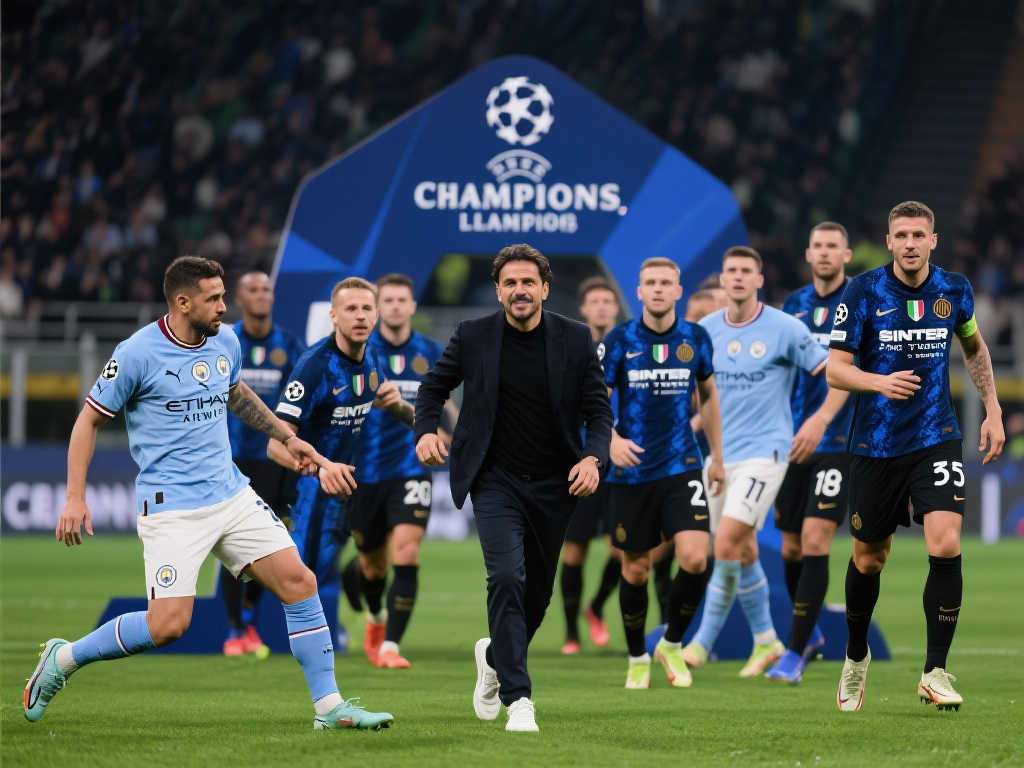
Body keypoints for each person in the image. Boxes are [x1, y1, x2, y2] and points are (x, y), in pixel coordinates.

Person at [25, 257, 394, 730]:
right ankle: (64, 658)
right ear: (182, 302)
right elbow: (88, 420)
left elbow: (236, 393)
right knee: (168, 625)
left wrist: (286, 437)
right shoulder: (137, 353)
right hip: (172, 507)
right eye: (214, 298)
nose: (224, 306)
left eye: (223, 296)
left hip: (231, 493)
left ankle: (329, 708)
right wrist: (75, 497)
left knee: (299, 583)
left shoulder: (225, 340)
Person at [414, 244, 612, 733]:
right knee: (505, 577)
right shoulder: (473, 335)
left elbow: (599, 411)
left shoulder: (576, 338)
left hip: (556, 484)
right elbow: (432, 388)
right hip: (494, 480)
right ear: (498, 290)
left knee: (536, 596)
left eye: (528, 282)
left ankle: (493, 658)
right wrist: (425, 431)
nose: (519, 290)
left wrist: (593, 458)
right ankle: (519, 699)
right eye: (510, 283)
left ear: (544, 288)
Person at [827, 201, 1004, 712]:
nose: (909, 243)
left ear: (933, 241)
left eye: (918, 235)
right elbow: (836, 369)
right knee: (869, 558)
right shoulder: (862, 292)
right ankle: (855, 657)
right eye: (901, 235)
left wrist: (992, 409)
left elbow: (974, 348)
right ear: (889, 241)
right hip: (876, 444)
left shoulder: (954, 290)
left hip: (936, 435)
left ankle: (935, 671)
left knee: (945, 544)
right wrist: (878, 382)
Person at [681, 246, 829, 677]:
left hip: (769, 452)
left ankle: (702, 643)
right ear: (723, 279)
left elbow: (831, 372)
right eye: (732, 271)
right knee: (741, 549)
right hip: (721, 457)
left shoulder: (786, 328)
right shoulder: (705, 331)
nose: (739, 277)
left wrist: (820, 421)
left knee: (726, 543)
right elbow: (699, 394)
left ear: (759, 280)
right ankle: (766, 640)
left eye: (747, 270)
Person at [267, 277, 413, 665]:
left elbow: (384, 403)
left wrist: (411, 416)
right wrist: (318, 469)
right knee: (306, 573)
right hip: (310, 493)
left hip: (351, 485)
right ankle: (312, 659)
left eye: (367, 308)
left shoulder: (371, 359)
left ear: (376, 314)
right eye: (351, 309)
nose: (360, 316)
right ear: (334, 316)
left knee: (360, 564)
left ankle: (344, 632)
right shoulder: (315, 367)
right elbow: (275, 444)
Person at [603, 258, 725, 689]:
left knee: (695, 558)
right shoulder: (619, 340)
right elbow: (594, 400)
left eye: (665, 283)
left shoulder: (695, 338)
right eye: (650, 283)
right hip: (632, 472)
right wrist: (610, 441)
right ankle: (637, 655)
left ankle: (671, 643)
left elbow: (708, 397)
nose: (658, 289)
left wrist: (718, 458)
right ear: (639, 291)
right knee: (636, 569)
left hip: (681, 466)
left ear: (678, 291)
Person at [765, 222, 855, 683]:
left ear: (846, 254)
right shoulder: (794, 304)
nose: (824, 253)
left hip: (838, 440)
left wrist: (821, 420)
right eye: (817, 245)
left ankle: (794, 653)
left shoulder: (860, 300)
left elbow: (853, 369)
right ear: (807, 253)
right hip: (792, 440)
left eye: (832, 246)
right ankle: (811, 633)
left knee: (817, 539)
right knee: (791, 545)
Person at [348, 273, 446, 669]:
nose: (394, 306)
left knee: (407, 551)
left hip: (412, 467)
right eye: (386, 300)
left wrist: (447, 436)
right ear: (376, 308)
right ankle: (375, 617)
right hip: (363, 472)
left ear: (412, 306)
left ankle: (391, 645)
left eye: (401, 300)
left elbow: (446, 409)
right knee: (372, 566)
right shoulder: (357, 351)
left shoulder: (432, 352)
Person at [221, 270, 305, 657]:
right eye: (253, 289)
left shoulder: (288, 344)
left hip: (275, 458)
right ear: (240, 298)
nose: (261, 295)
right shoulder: (225, 341)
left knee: (269, 543)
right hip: (231, 458)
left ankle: (249, 618)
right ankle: (235, 630)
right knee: (232, 545)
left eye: (266, 289)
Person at [559, 276, 622, 655]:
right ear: (583, 309)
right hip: (578, 461)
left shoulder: (628, 345)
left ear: (615, 308)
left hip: (620, 463)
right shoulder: (571, 348)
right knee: (575, 551)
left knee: (622, 550)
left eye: (607, 301)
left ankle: (596, 606)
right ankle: (571, 634)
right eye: (594, 301)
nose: (601, 307)